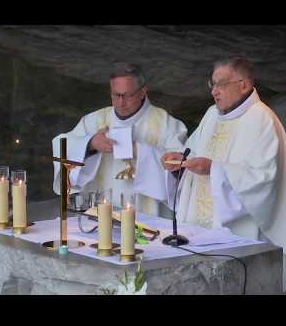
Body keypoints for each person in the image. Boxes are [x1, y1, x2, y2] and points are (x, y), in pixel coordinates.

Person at [162, 57, 286, 294]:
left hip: (241, 230)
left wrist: (214, 169)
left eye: (221, 84)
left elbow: (264, 180)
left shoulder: (263, 120)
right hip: (199, 227)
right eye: (212, 84)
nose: (214, 92)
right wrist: (180, 164)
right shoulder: (211, 114)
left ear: (244, 85)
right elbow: (193, 153)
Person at [53, 62, 188, 217]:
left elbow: (182, 170)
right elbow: (61, 146)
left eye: (127, 95)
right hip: (100, 216)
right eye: (116, 95)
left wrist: (141, 151)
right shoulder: (93, 121)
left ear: (144, 91)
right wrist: (89, 144)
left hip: (148, 219)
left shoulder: (167, 125)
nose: (121, 103)